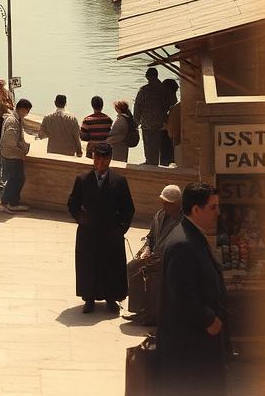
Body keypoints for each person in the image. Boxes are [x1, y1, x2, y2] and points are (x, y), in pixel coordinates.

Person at [155, 182, 228, 396]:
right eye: (213, 207)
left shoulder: (193, 235)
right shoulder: (182, 244)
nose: (218, 213)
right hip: (189, 351)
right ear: (196, 210)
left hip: (198, 348)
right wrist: (209, 320)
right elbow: (182, 293)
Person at [67, 142, 135, 313]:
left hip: (111, 233)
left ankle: (111, 299)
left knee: (111, 266)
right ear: (93, 157)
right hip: (88, 233)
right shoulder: (82, 180)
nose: (100, 162)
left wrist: (120, 229)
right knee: (88, 265)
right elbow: (73, 204)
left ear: (110, 159)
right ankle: (88, 298)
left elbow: (128, 209)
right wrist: (81, 218)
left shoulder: (119, 182)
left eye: (104, 158)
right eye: (97, 157)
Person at [127, 183, 183, 324]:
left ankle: (152, 315)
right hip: (153, 256)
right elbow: (151, 237)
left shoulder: (182, 221)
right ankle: (139, 310)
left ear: (178, 203)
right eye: (163, 203)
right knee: (132, 268)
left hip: (169, 260)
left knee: (152, 276)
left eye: (168, 204)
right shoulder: (159, 215)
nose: (165, 206)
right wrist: (146, 249)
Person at [0, 98, 32, 212]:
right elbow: (10, 141)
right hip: (12, 155)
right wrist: (21, 151)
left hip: (8, 153)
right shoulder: (13, 121)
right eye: (27, 111)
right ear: (22, 109)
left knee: (16, 179)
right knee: (16, 179)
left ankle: (13, 202)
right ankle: (6, 202)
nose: (27, 114)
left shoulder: (15, 118)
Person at [134, 66, 172, 167]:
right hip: (159, 121)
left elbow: (138, 106)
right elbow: (169, 103)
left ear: (148, 77)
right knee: (156, 142)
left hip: (147, 121)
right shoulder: (163, 89)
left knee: (148, 142)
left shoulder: (144, 90)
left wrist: (136, 121)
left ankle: (149, 161)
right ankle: (154, 161)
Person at [106, 99, 135, 163]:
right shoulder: (127, 118)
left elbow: (113, 133)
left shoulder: (121, 120)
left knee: (117, 163)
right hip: (123, 145)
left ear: (118, 109)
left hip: (118, 145)